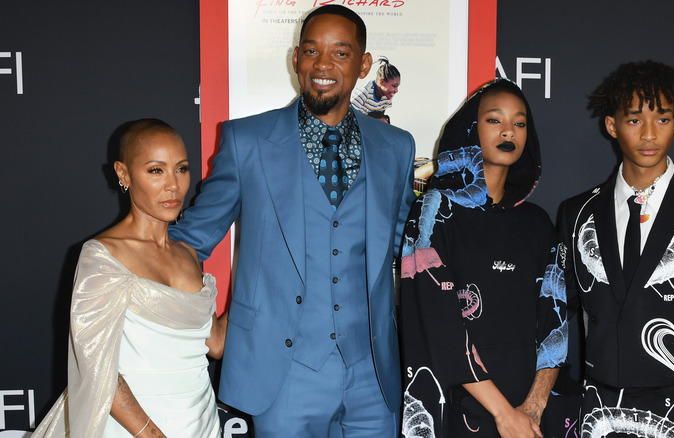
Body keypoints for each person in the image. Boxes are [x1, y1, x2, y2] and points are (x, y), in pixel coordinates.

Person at [168, 5, 416, 437]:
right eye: (311, 50)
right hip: (282, 375)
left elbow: (406, 248)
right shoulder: (247, 142)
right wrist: (202, 324)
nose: (323, 64)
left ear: (362, 65)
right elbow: (187, 241)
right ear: (296, 59)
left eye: (340, 53)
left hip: (373, 376)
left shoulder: (396, 147)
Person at [557, 60, 674, 437]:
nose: (648, 134)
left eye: (662, 120)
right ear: (611, 125)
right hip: (597, 411)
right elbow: (560, 318)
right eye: (634, 120)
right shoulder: (575, 212)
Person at [32, 119, 226, 438]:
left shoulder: (189, 255)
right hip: (134, 431)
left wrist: (259, 273)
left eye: (181, 169)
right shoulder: (103, 256)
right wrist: (152, 435)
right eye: (155, 170)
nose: (173, 185)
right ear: (124, 174)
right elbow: (97, 370)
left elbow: (214, 342)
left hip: (202, 425)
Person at [400, 78, 567, 438]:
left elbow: (556, 321)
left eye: (519, 123)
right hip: (457, 405)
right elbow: (436, 323)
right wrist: (503, 414)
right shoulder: (434, 210)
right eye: (495, 120)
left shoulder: (538, 223)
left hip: (527, 415)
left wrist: (532, 409)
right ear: (471, 127)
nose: (509, 130)